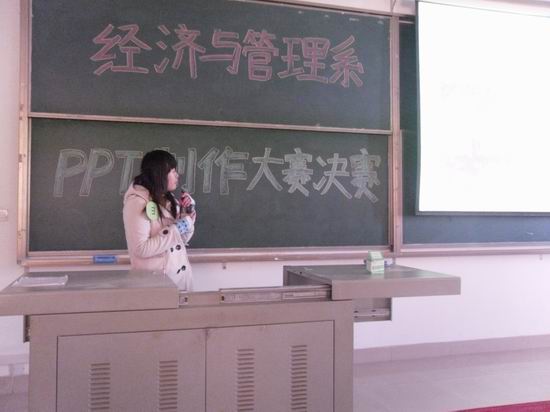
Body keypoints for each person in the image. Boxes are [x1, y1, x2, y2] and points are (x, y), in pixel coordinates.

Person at [123, 150, 196, 290]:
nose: (177, 175)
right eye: (172, 171)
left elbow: (181, 240)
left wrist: (186, 217)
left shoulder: (168, 199)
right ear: (159, 174)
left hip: (180, 281)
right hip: (156, 286)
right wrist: (178, 227)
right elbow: (141, 249)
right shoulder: (137, 202)